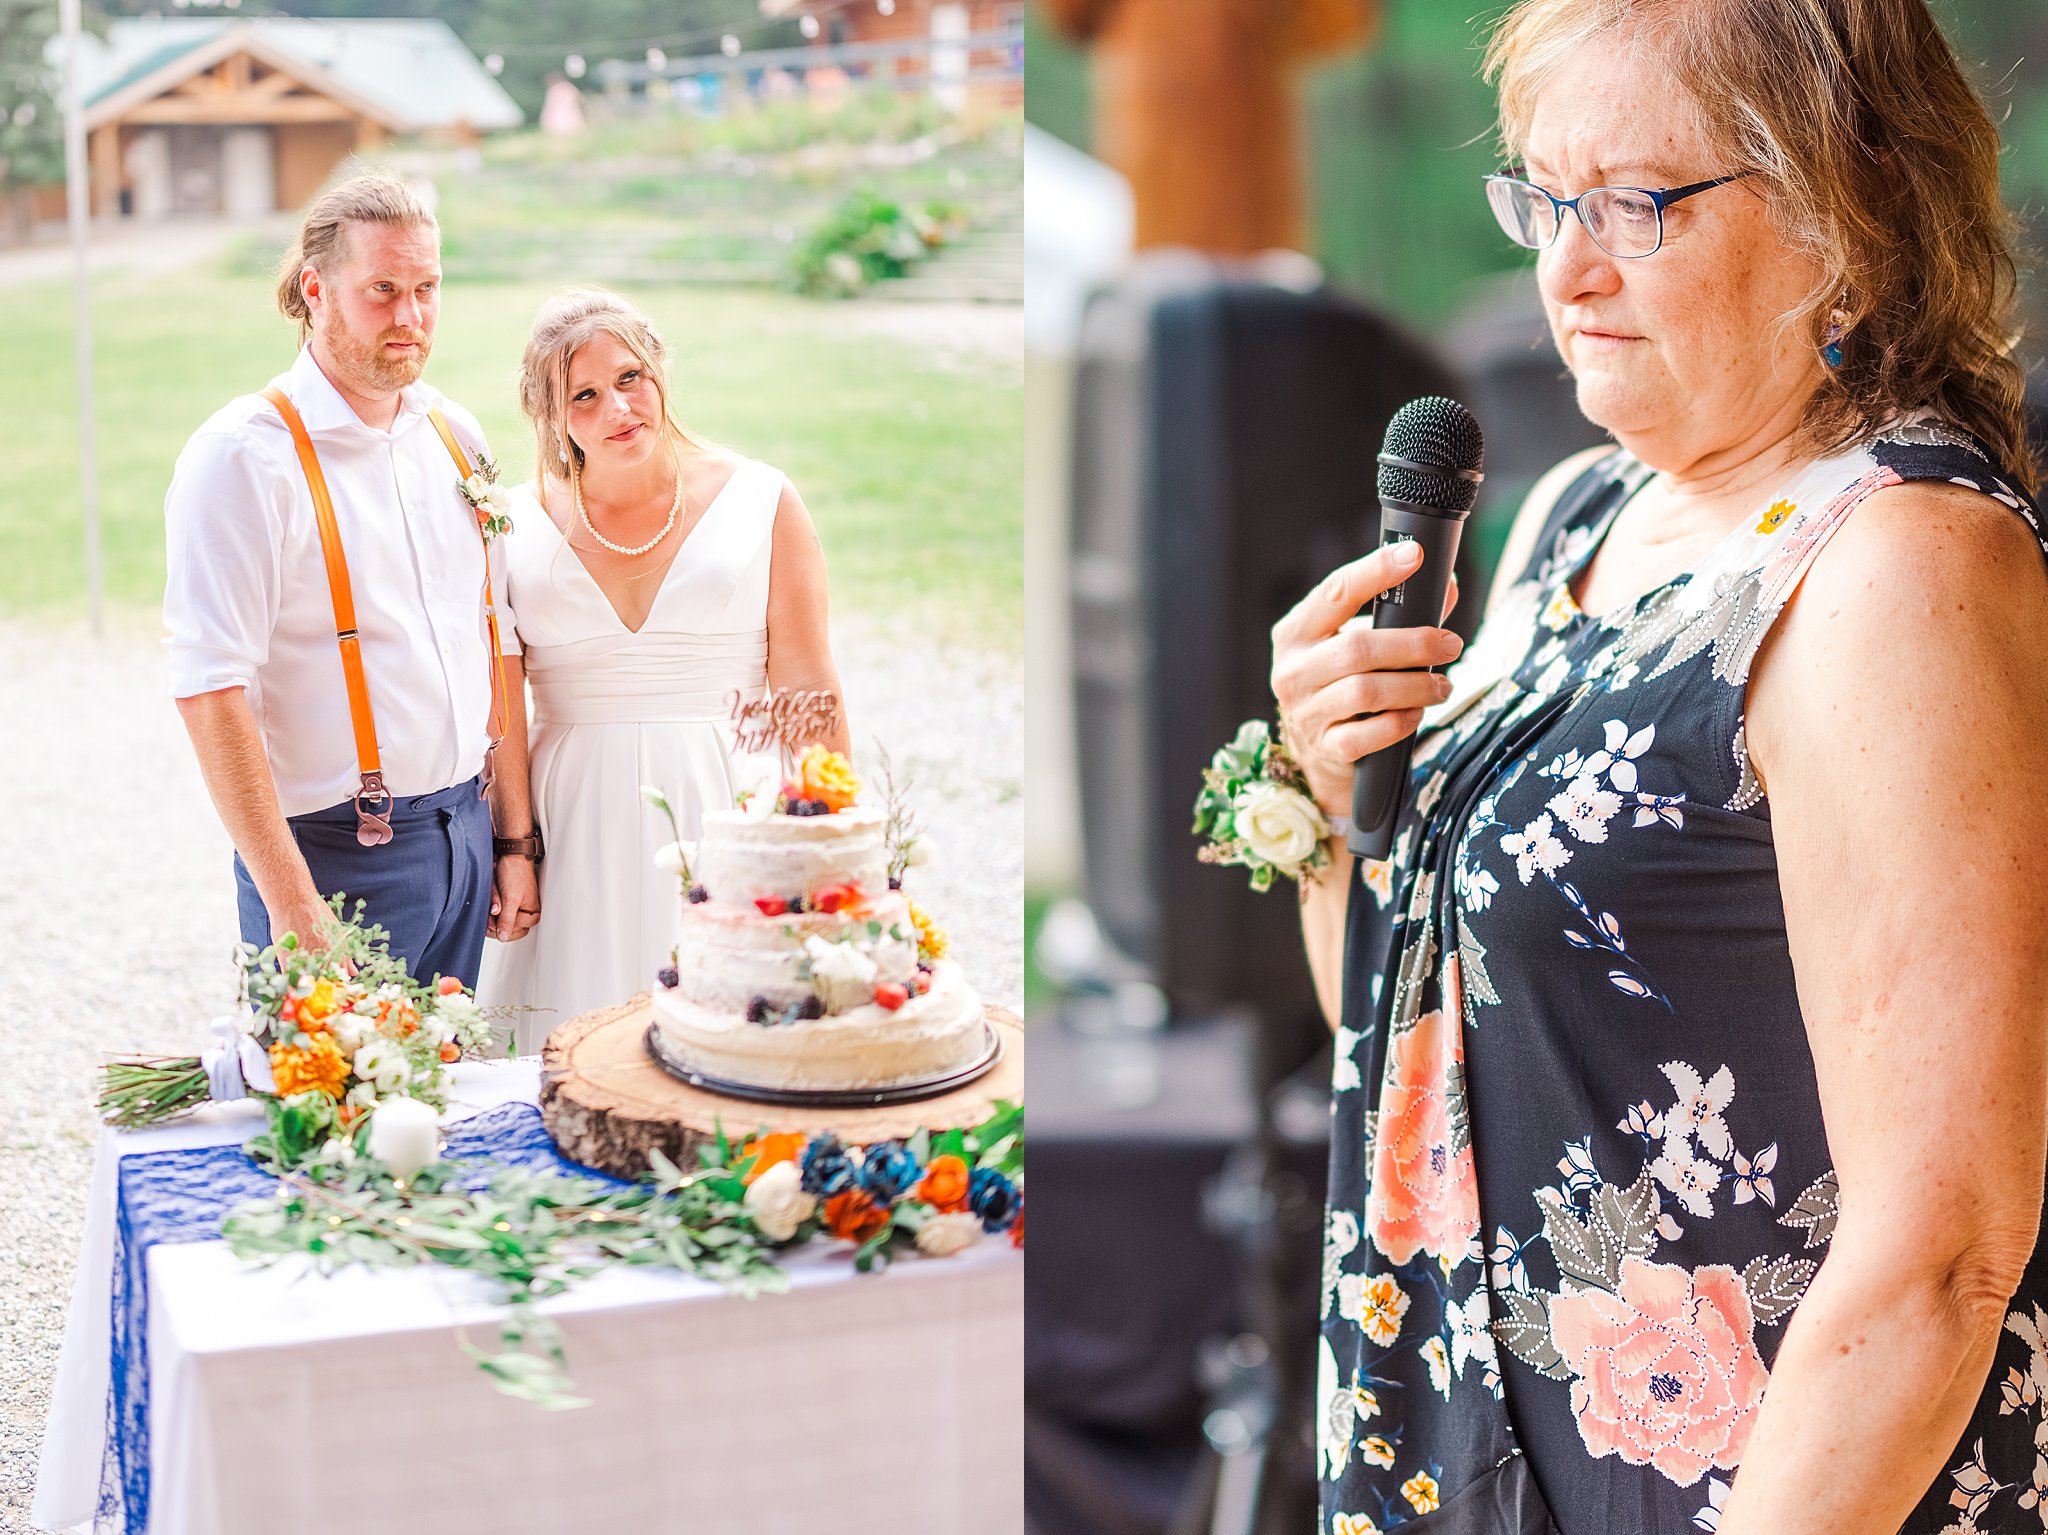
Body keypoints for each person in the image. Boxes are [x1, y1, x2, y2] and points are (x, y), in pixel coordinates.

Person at [1268, 3, 2048, 1531]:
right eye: (1547, 199)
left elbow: (1945, 1239)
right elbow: (1415, 1047)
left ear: (1845, 214)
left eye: (1637, 202)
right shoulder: (1570, 516)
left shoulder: (1895, 567)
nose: (1565, 268)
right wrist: (1325, 791)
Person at [166, 173, 530, 989]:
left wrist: (510, 842)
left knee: (445, 1110)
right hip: (336, 860)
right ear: (315, 288)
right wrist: (294, 905)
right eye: (382, 291)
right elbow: (208, 686)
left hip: (466, 839)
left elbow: (493, 640)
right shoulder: (242, 457)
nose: (410, 317)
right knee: (326, 1114)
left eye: (426, 288)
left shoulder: (453, 435)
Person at [477, 288, 848, 1052]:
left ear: (660, 373)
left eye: (630, 377)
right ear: (551, 415)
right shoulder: (510, 524)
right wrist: (514, 846)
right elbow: (502, 705)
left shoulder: (761, 499)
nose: (618, 407)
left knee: (732, 1033)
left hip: (726, 793)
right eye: (584, 394)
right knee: (575, 1039)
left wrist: (837, 841)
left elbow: (806, 688)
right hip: (573, 808)